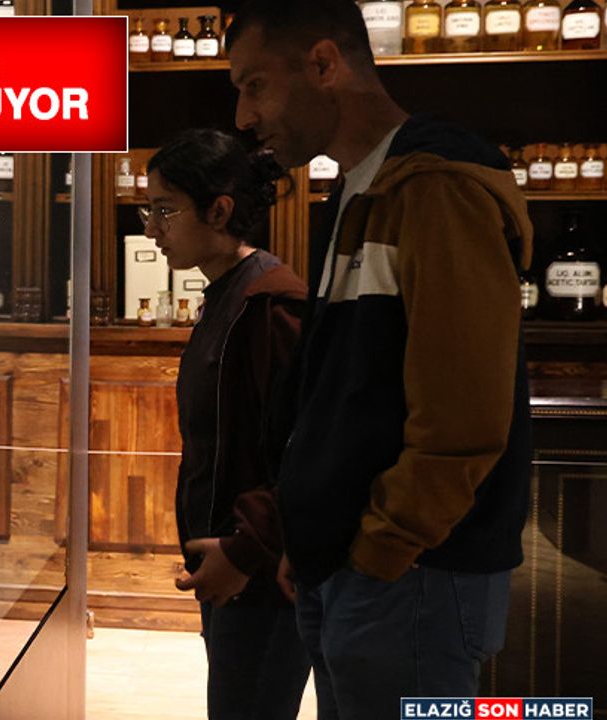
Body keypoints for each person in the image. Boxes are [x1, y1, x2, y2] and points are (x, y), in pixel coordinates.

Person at [225, 2, 534, 718]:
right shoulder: (357, 189)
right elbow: (338, 395)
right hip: (354, 568)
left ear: (323, 64)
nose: (244, 117)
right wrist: (312, 538)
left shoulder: (434, 187)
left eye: (255, 86)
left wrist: (381, 552)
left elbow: (463, 418)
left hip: (413, 575)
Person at [147, 130, 311, 720]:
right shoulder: (227, 294)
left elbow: (303, 449)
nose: (152, 228)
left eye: (165, 210)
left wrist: (246, 548)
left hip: (262, 571)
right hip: (230, 562)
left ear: (218, 211)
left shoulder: (270, 303)